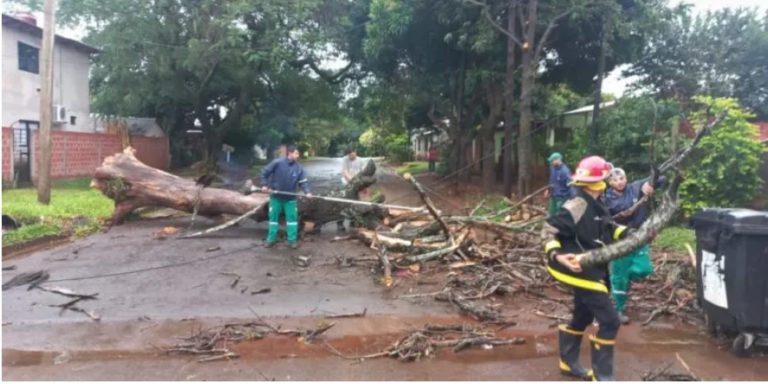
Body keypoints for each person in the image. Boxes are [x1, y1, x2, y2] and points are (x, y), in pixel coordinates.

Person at [542, 155, 630, 381]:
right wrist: (558, 256)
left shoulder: (597, 201)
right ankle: (602, 378)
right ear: (599, 181)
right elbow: (548, 228)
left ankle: (568, 363)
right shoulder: (577, 204)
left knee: (583, 315)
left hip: (593, 266)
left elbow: (606, 226)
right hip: (576, 267)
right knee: (610, 321)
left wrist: (629, 234)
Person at [604, 168, 662, 324]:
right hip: (620, 240)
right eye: (615, 180)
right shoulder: (606, 198)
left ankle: (625, 280)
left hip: (639, 236)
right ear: (609, 182)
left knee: (644, 269)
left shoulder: (635, 187)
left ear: (626, 177)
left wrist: (650, 185)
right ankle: (618, 310)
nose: (619, 182)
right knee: (619, 277)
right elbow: (605, 221)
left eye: (622, 178)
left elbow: (661, 178)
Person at [260, 145, 312, 249]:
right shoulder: (277, 163)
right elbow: (264, 172)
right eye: (296, 153)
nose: (298, 155)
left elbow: (303, 182)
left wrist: (307, 192)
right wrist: (264, 185)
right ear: (290, 153)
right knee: (273, 219)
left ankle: (292, 241)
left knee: (292, 220)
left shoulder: (298, 168)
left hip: (290, 199)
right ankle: (271, 240)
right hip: (276, 197)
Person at [337, 148, 365, 232]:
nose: (352, 156)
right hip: (346, 183)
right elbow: (345, 173)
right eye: (350, 155)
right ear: (347, 155)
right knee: (343, 203)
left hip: (357, 185)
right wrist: (352, 182)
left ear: (356, 152)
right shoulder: (344, 160)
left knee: (356, 203)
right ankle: (340, 223)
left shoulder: (360, 161)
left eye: (353, 154)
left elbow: (362, 174)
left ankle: (353, 221)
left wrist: (363, 187)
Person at [545, 152, 574, 216]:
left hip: (562, 198)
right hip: (553, 196)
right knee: (551, 213)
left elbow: (571, 185)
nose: (551, 162)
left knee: (559, 215)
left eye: (552, 160)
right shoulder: (553, 168)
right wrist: (548, 189)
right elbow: (551, 180)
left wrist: (572, 198)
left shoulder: (565, 171)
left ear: (558, 160)